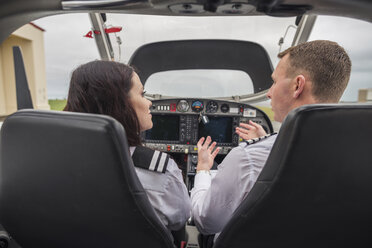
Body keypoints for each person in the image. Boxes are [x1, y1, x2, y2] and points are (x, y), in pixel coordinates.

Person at [191, 40, 352, 242]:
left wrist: (203, 170)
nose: (268, 92)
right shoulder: (358, 153)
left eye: (274, 82)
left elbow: (206, 221)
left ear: (297, 85)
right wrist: (267, 142)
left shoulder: (247, 157)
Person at [64, 60, 191, 232]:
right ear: (120, 103)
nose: (149, 103)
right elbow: (180, 218)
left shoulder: (56, 162)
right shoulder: (160, 171)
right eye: (142, 94)